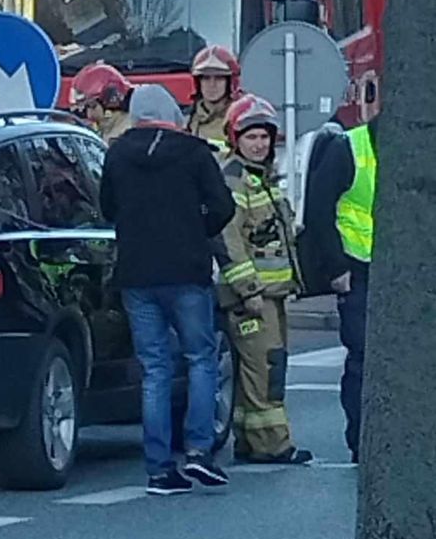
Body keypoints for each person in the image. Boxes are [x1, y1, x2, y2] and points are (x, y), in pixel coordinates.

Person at [100, 83, 236, 496]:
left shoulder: (118, 154)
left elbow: (107, 208)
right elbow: (223, 207)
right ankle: (198, 450)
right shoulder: (194, 153)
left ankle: (158, 469)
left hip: (137, 274)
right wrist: (197, 228)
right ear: (172, 114)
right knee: (200, 358)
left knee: (154, 369)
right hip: (186, 270)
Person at [217, 94, 312, 466]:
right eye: (251, 137)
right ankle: (273, 444)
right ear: (235, 138)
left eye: (264, 137)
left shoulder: (260, 179)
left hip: (271, 295)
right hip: (252, 298)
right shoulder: (236, 181)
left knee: (258, 371)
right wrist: (249, 290)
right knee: (266, 369)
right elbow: (229, 240)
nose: (259, 144)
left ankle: (250, 440)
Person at [302, 116, 377, 462]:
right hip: (359, 269)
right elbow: (318, 209)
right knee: (363, 357)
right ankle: (362, 441)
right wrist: (336, 267)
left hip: (410, 272)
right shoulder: (350, 146)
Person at [186, 45, 240, 153]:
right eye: (206, 78)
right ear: (198, 82)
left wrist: (201, 145)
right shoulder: (188, 119)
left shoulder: (241, 116)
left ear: (229, 82)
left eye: (219, 78)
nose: (212, 84)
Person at [69, 62, 133, 144]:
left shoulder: (122, 138)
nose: (89, 114)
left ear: (111, 102)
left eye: (92, 106)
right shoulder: (108, 130)